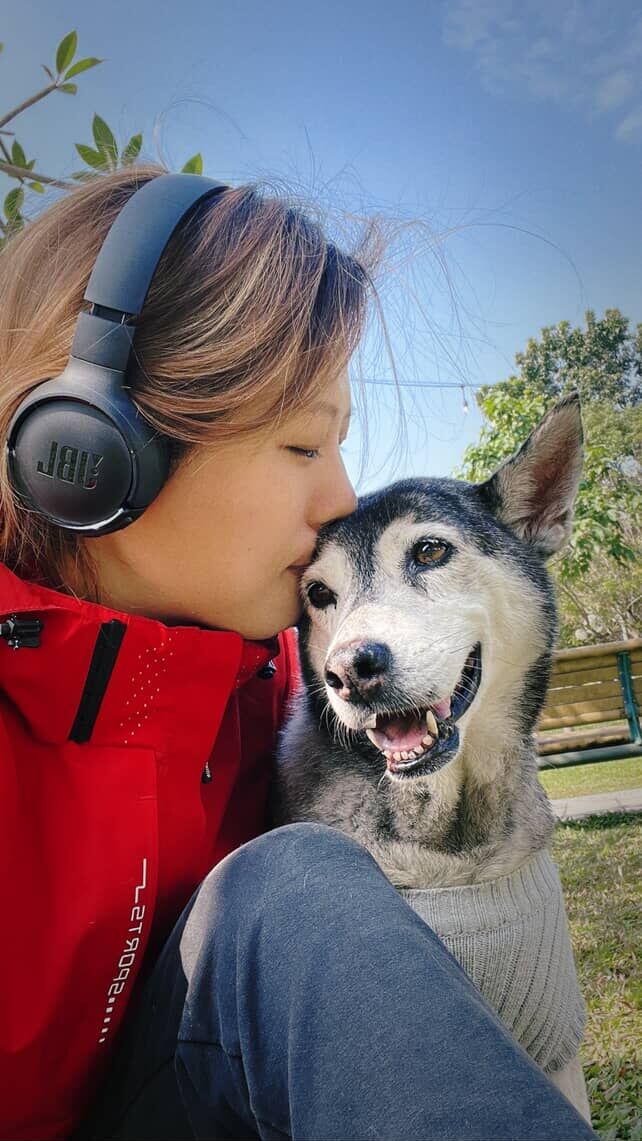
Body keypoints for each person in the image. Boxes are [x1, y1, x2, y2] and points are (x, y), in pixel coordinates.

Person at [0, 164, 597, 1141]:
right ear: (95, 443)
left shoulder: (276, 685)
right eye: (303, 447)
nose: (338, 502)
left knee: (288, 885)